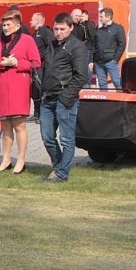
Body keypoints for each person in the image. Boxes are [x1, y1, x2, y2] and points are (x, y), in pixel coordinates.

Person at [0, 10, 41, 174]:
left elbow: (36, 63)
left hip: (19, 88)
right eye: (3, 24)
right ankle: (6, 158)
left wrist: (17, 63)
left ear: (17, 25)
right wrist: (2, 63)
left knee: (19, 126)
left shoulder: (27, 40)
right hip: (2, 88)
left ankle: (21, 160)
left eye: (8, 24)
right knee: (6, 127)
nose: (5, 27)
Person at [39, 13, 88, 183]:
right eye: (56, 29)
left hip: (65, 97)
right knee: (47, 137)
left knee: (66, 138)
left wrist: (66, 97)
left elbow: (81, 76)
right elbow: (46, 69)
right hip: (48, 97)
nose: (58, 32)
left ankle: (61, 173)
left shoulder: (77, 47)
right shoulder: (51, 44)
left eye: (62, 29)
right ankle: (59, 166)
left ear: (71, 28)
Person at [91, 7, 126, 90]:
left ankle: (122, 101)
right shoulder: (99, 30)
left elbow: (122, 44)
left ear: (108, 17)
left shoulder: (118, 28)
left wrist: (115, 59)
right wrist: (92, 60)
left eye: (101, 17)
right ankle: (104, 102)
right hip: (99, 62)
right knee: (102, 84)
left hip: (111, 61)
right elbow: (94, 46)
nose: (99, 19)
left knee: (117, 82)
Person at [29, 12, 55, 123]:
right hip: (34, 66)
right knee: (34, 90)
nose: (30, 21)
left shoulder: (46, 32)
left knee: (40, 89)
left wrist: (41, 58)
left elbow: (50, 48)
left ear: (38, 21)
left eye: (32, 19)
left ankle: (42, 114)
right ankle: (36, 113)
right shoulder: (35, 34)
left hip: (41, 66)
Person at [71, 8, 96, 85]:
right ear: (71, 15)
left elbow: (88, 39)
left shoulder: (83, 26)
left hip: (81, 51)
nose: (78, 17)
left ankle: (86, 86)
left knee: (84, 69)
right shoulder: (68, 26)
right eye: (76, 15)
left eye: (79, 16)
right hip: (70, 52)